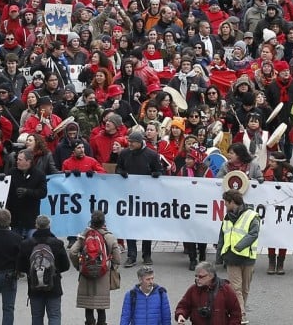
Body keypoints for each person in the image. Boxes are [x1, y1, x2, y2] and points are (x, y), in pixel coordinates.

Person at [117, 129, 164, 266]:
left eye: (132, 142)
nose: (129, 144)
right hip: (129, 196)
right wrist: (122, 172)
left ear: (140, 142)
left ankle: (147, 255)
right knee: (130, 226)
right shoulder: (125, 153)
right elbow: (118, 168)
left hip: (146, 197)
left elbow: (160, 170)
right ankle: (131, 255)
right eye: (129, 141)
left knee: (146, 226)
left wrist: (156, 174)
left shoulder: (151, 155)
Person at [68, 209, 122, 325]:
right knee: (101, 307)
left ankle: (90, 322)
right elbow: (118, 259)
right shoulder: (110, 237)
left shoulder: (85, 235)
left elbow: (72, 252)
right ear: (104, 222)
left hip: (86, 274)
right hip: (103, 275)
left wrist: (80, 266)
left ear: (91, 221)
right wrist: (110, 267)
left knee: (88, 306)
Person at [17, 214, 71, 325]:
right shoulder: (57, 243)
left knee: (37, 317)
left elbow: (20, 266)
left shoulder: (26, 244)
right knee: (54, 316)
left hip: (34, 285)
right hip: (54, 285)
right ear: (49, 225)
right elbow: (66, 266)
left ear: (36, 225)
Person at [216, 189, 259, 321]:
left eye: (226, 203)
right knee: (236, 289)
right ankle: (241, 315)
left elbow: (253, 234)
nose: (224, 205)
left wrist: (239, 246)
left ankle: (239, 311)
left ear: (232, 202)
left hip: (247, 257)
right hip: (231, 257)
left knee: (245, 289)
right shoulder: (227, 218)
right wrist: (219, 257)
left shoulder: (252, 215)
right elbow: (222, 237)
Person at [174, 261, 242, 325]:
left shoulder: (225, 289)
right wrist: (180, 315)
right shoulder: (193, 289)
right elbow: (183, 306)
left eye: (200, 276)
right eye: (196, 276)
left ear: (211, 276)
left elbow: (236, 313)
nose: (197, 279)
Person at [6, 148, 47, 238]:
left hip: (31, 218)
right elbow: (5, 190)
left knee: (31, 244)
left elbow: (43, 193)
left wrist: (28, 192)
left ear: (28, 161)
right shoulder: (12, 172)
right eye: (17, 159)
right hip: (15, 219)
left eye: (20, 160)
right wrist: (0, 179)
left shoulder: (39, 174)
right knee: (16, 246)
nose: (17, 162)